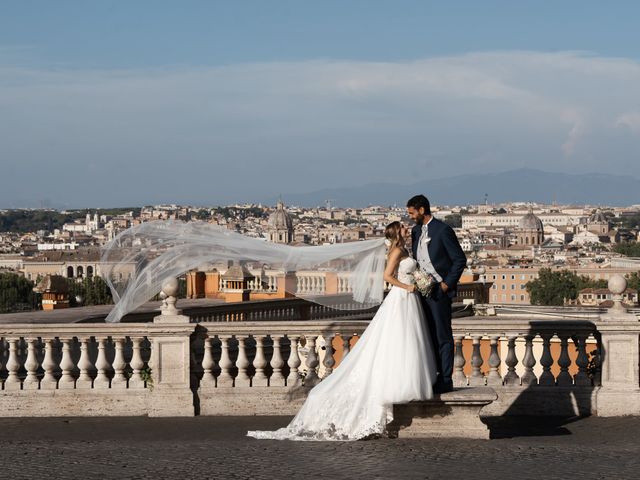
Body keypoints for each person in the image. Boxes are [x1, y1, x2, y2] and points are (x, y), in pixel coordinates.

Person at [247, 221, 437, 441]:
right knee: (397, 341)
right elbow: (386, 276)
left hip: (409, 300)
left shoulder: (404, 249)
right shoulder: (396, 250)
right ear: (397, 233)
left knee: (406, 342)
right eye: (403, 227)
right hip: (401, 298)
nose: (406, 228)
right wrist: (408, 286)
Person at [406, 194, 467, 394]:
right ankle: (432, 375)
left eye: (412, 213)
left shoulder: (443, 230)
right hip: (422, 292)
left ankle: (446, 379)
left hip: (439, 292)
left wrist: (446, 285)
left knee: (443, 336)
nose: (410, 217)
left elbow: (459, 260)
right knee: (427, 335)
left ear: (422, 210)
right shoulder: (415, 232)